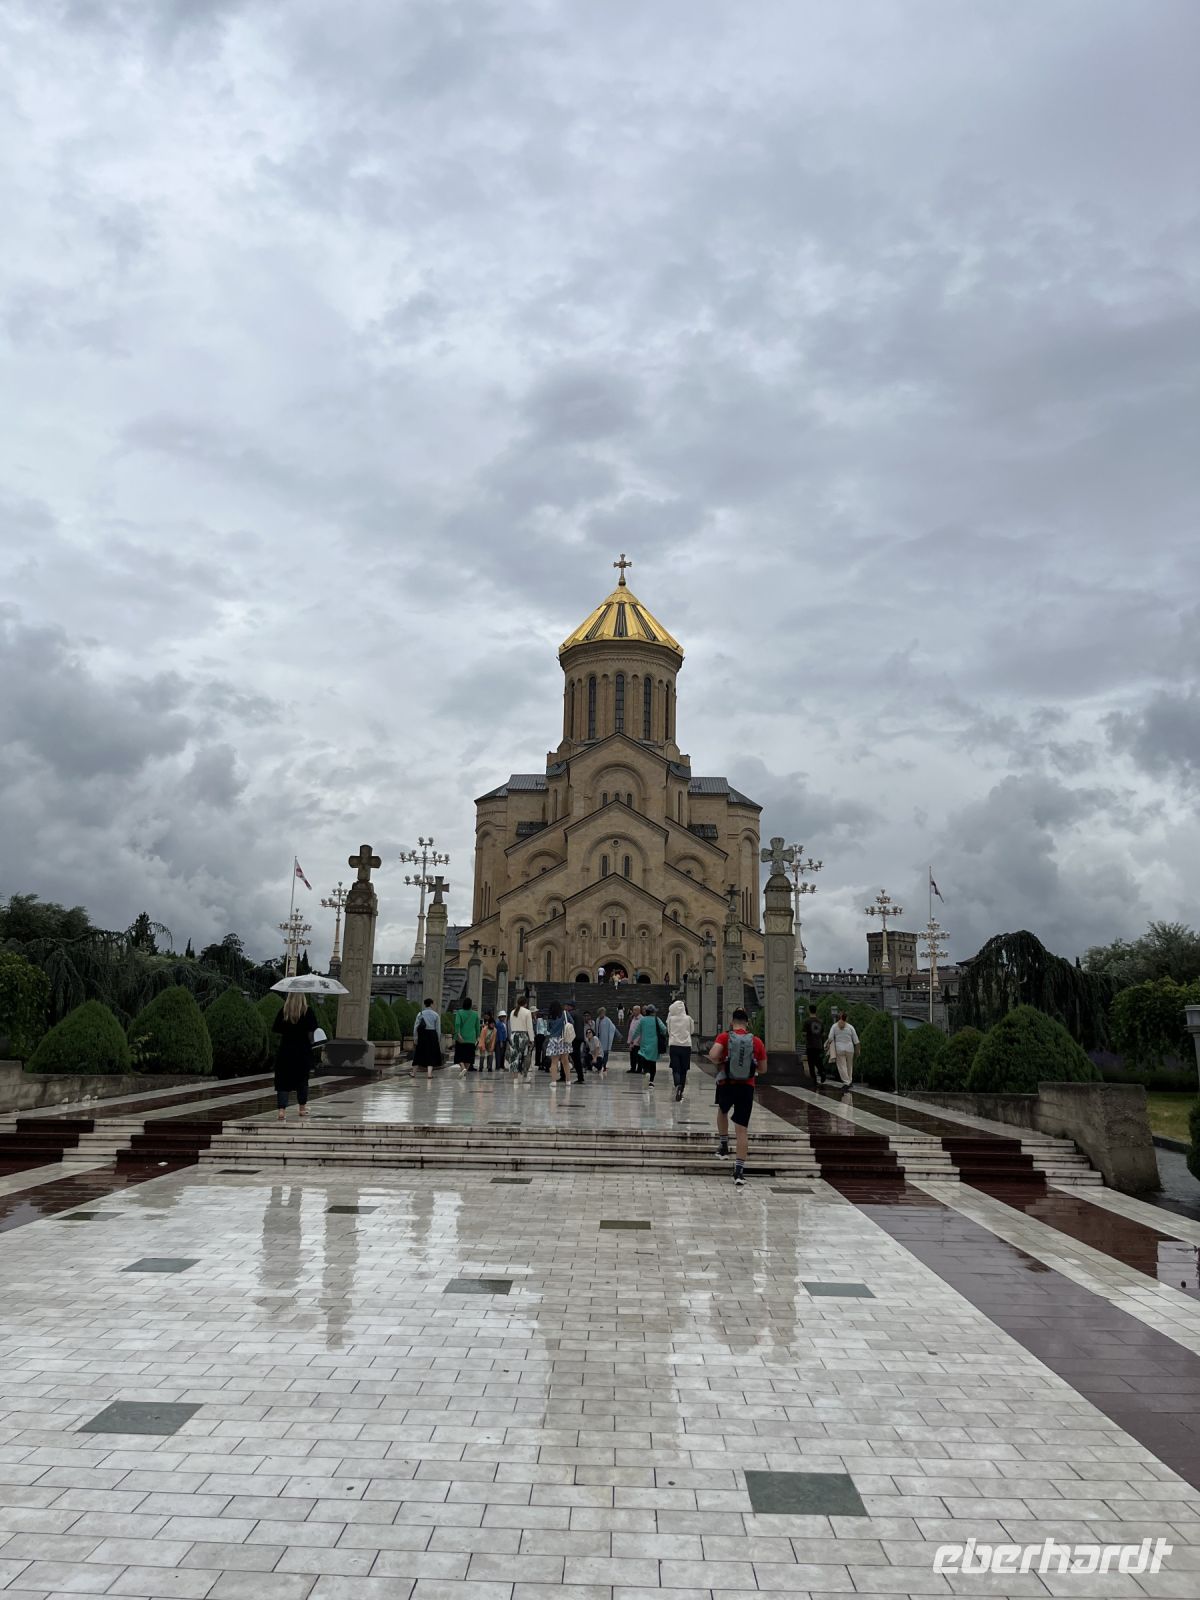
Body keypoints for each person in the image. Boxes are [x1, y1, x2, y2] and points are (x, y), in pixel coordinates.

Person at [708, 1006, 767, 1187]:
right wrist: (750, 1067)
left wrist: (723, 1062)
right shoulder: (756, 1042)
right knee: (742, 1129)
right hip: (746, 1087)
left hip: (727, 1084)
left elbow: (712, 1055)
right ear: (747, 1023)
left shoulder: (725, 1037)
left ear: (731, 1022)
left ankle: (724, 1145)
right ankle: (739, 1171)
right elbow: (763, 1069)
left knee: (722, 1111)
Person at [273, 991, 317, 1122]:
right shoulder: (307, 1011)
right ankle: (302, 1108)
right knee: (302, 1080)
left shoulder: (284, 1011)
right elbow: (313, 1028)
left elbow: (276, 1028)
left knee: (282, 1081)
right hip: (302, 1051)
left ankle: (281, 1110)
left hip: (286, 1050)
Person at [666, 996, 694, 1101]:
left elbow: (669, 1031)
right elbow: (691, 1031)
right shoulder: (689, 1019)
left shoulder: (671, 1019)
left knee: (675, 1068)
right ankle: (681, 1089)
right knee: (684, 1069)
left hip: (674, 1045)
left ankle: (677, 1085)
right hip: (686, 1046)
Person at [637, 1003, 667, 1086]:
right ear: (653, 1012)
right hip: (654, 1044)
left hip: (644, 1043)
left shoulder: (642, 1020)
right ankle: (651, 1082)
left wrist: (632, 1040)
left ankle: (646, 1071)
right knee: (653, 1062)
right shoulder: (657, 1019)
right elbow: (664, 1029)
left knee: (643, 1058)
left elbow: (637, 1031)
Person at [827, 1010, 860, 1089]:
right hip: (850, 1048)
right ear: (846, 1018)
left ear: (839, 1017)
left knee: (842, 1066)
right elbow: (856, 1040)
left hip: (839, 1048)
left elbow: (830, 1038)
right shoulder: (850, 1027)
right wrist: (858, 1050)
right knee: (849, 1065)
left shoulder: (834, 1026)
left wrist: (828, 1045)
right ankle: (850, 1081)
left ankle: (846, 1082)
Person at [413, 996, 443, 1078]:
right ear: (432, 1004)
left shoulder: (420, 1014)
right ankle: (429, 1074)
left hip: (422, 1035)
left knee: (418, 1053)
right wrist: (438, 1039)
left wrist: (415, 1038)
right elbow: (438, 1029)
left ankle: (413, 1073)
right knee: (431, 1054)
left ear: (425, 1005)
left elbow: (416, 1027)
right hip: (432, 1034)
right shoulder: (436, 1015)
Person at [544, 1000, 571, 1084]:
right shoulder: (565, 1014)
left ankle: (553, 1081)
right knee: (565, 1061)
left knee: (554, 1062)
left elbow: (548, 1029)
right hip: (564, 1039)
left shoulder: (550, 1016)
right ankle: (568, 1080)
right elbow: (571, 1022)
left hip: (554, 1040)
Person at [453, 994, 481, 1073]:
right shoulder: (475, 1014)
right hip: (471, 1038)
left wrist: (458, 1034)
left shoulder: (459, 1012)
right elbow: (477, 1027)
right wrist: (478, 1037)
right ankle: (465, 1070)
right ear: (470, 1005)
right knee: (469, 1057)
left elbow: (457, 1024)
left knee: (459, 1055)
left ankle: (462, 1067)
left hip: (461, 1038)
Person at [508, 995, 534, 1074]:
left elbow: (511, 1025)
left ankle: (515, 1077)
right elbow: (529, 1026)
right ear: (525, 1003)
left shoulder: (512, 1012)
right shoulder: (527, 1012)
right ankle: (524, 1069)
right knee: (525, 1054)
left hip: (513, 1035)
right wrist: (532, 1039)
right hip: (523, 1035)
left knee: (514, 1056)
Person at [802, 1003, 825, 1087]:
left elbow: (804, 1033)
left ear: (809, 1011)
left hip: (810, 1045)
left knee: (811, 1063)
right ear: (816, 1011)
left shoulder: (807, 1021)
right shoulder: (820, 1022)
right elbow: (823, 1034)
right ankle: (822, 1072)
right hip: (818, 1044)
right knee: (818, 1061)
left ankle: (814, 1080)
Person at [595, 1006, 616, 1074]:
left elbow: (612, 1028)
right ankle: (600, 1066)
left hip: (605, 1040)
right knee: (599, 1054)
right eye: (601, 1012)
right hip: (599, 1040)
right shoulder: (597, 1020)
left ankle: (604, 1066)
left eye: (603, 1012)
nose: (602, 1014)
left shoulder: (608, 1020)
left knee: (605, 1054)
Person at [626, 1003, 643, 1073]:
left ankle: (639, 1069)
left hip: (638, 1041)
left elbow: (642, 1031)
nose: (633, 1012)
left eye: (635, 1010)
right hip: (632, 1041)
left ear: (639, 1011)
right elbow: (631, 1029)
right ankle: (632, 1068)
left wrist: (640, 1040)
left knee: (638, 1056)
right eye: (633, 1010)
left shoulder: (642, 1019)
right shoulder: (633, 1018)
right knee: (632, 1055)